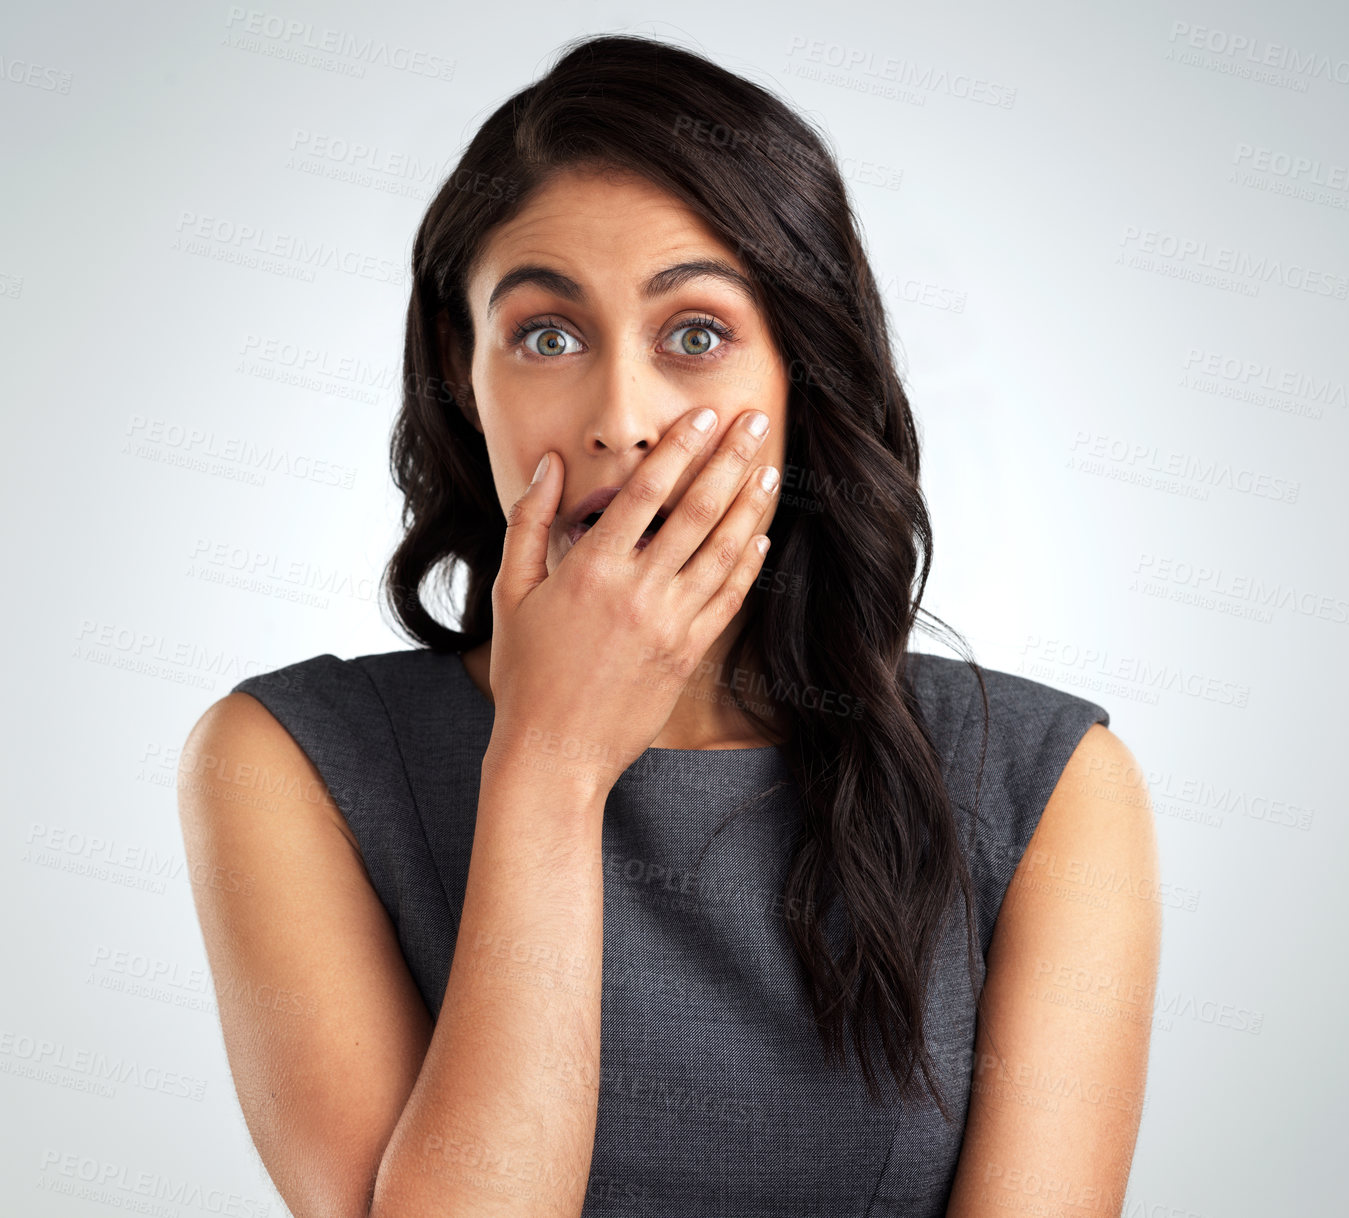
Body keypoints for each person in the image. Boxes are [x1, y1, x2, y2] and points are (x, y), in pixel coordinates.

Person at [178, 33, 1161, 1218]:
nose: (622, 419)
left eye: (694, 334)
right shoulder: (288, 762)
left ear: (802, 366)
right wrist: (547, 763)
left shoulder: (1046, 786)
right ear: (462, 368)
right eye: (547, 335)